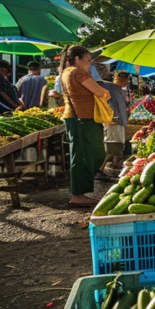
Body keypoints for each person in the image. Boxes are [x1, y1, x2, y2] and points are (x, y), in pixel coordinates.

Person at [60, 45, 112, 207]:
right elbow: (102, 92)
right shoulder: (76, 72)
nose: (90, 64)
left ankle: (80, 192)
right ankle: (78, 195)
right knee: (83, 156)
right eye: (88, 60)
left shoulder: (68, 72)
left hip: (82, 119)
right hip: (81, 119)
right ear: (77, 59)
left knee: (89, 155)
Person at [97, 71, 129, 175]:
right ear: (120, 79)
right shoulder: (110, 87)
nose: (128, 82)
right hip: (113, 122)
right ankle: (100, 168)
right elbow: (109, 105)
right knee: (111, 148)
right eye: (127, 80)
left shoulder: (118, 89)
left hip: (118, 122)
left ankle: (115, 164)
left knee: (118, 145)